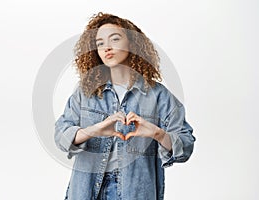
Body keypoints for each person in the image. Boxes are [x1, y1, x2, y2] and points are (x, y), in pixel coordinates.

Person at [55, 12, 196, 200]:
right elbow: (61, 135)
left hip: (136, 191)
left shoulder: (159, 95)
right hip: (85, 190)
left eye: (114, 39)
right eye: (100, 43)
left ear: (132, 43)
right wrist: (93, 130)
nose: (107, 47)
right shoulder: (85, 91)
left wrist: (156, 133)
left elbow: (185, 146)